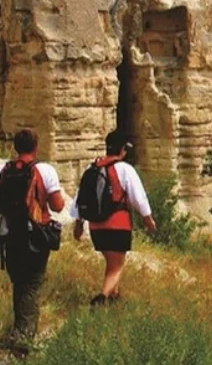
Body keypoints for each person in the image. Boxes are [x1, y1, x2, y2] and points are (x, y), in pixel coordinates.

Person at [0, 129, 65, 352]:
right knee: (31, 284)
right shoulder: (45, 170)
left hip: (9, 237)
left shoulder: (0, 171)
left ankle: (20, 331)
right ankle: (23, 341)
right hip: (36, 237)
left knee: (20, 283)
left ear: (15, 147)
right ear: (36, 146)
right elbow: (58, 206)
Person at [72, 130, 156, 305]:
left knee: (111, 263)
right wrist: (148, 219)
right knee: (116, 267)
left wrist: (78, 223)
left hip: (95, 227)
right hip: (118, 225)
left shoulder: (92, 168)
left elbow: (81, 197)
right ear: (123, 149)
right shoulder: (125, 169)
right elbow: (138, 198)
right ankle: (101, 298)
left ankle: (114, 299)